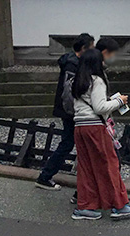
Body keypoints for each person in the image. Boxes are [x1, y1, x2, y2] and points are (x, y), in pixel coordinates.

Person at [71, 48, 130, 221]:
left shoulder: (77, 80)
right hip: (95, 127)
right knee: (109, 165)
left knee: (86, 168)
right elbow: (100, 107)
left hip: (80, 126)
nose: (103, 63)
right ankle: (119, 205)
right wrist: (118, 101)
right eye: (101, 60)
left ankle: (86, 206)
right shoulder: (97, 80)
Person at [35, 33, 94, 191]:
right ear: (83, 48)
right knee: (68, 143)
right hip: (70, 111)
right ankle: (45, 176)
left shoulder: (73, 61)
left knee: (70, 143)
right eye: (91, 48)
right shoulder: (72, 64)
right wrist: (74, 112)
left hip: (70, 110)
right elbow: (68, 92)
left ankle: (48, 176)